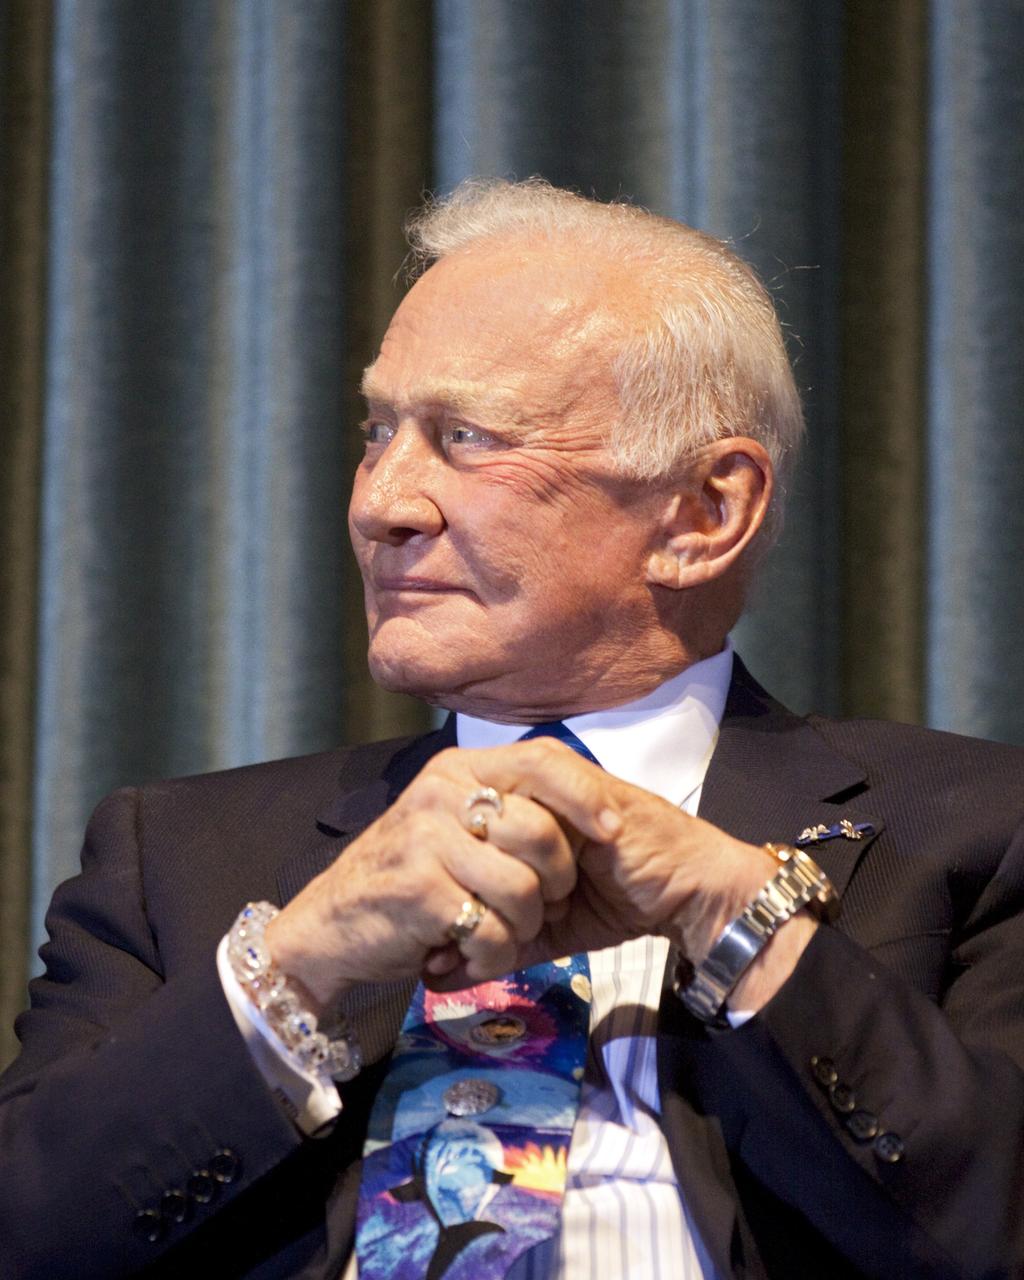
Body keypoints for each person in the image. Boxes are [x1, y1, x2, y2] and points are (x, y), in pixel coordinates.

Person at [2, 178, 1023, 1280]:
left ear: (704, 512)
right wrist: (291, 972)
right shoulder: (177, 855)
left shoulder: (974, 829)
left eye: (467, 436)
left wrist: (740, 919)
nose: (381, 502)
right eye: (378, 431)